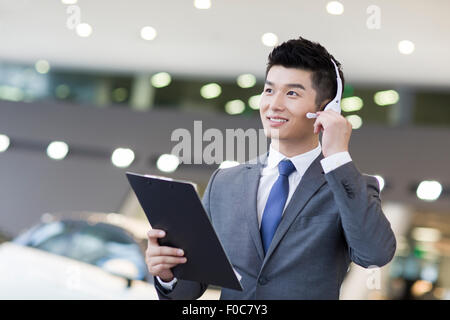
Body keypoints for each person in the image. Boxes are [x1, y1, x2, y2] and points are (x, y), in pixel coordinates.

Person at [145, 36, 396, 300]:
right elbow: (188, 291)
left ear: (326, 108)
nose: (273, 104)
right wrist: (168, 275)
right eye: (268, 90)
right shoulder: (225, 183)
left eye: (292, 93)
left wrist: (337, 156)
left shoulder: (351, 187)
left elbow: (375, 254)